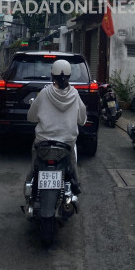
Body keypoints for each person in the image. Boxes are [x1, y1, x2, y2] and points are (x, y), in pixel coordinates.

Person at [27, 59, 87, 192]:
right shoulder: (75, 94)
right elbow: (82, 119)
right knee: (72, 166)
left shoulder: (44, 93)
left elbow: (31, 117)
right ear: (69, 76)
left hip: (43, 142)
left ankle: (30, 181)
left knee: (34, 166)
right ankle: (76, 184)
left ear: (52, 75)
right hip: (67, 143)